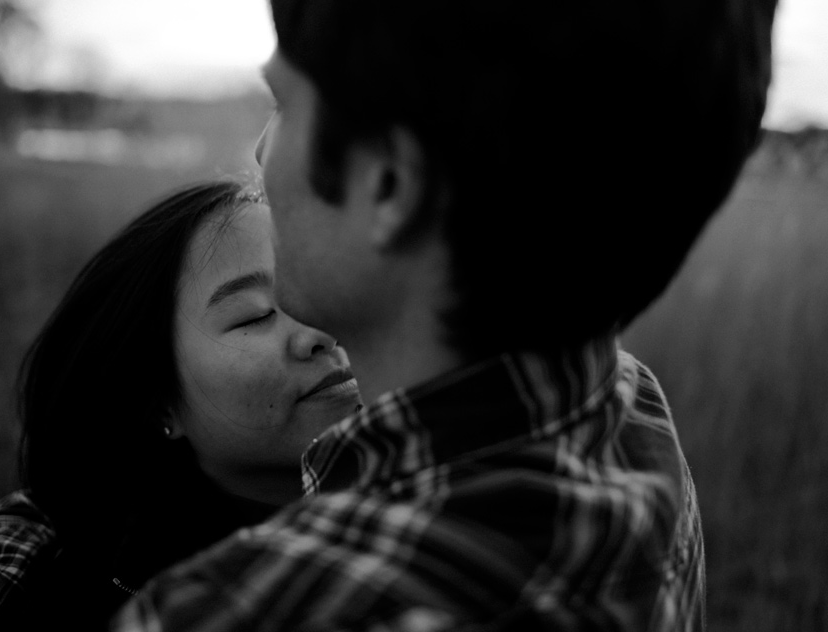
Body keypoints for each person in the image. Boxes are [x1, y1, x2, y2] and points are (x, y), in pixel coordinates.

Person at [114, 0, 778, 630]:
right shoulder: (632, 417)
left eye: (284, 104)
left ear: (390, 186)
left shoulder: (241, 612)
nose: (260, 155)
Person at [0, 179, 362, 631]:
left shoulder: (425, 485)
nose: (318, 330)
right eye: (256, 314)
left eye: (313, 287)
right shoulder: (58, 549)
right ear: (158, 404)